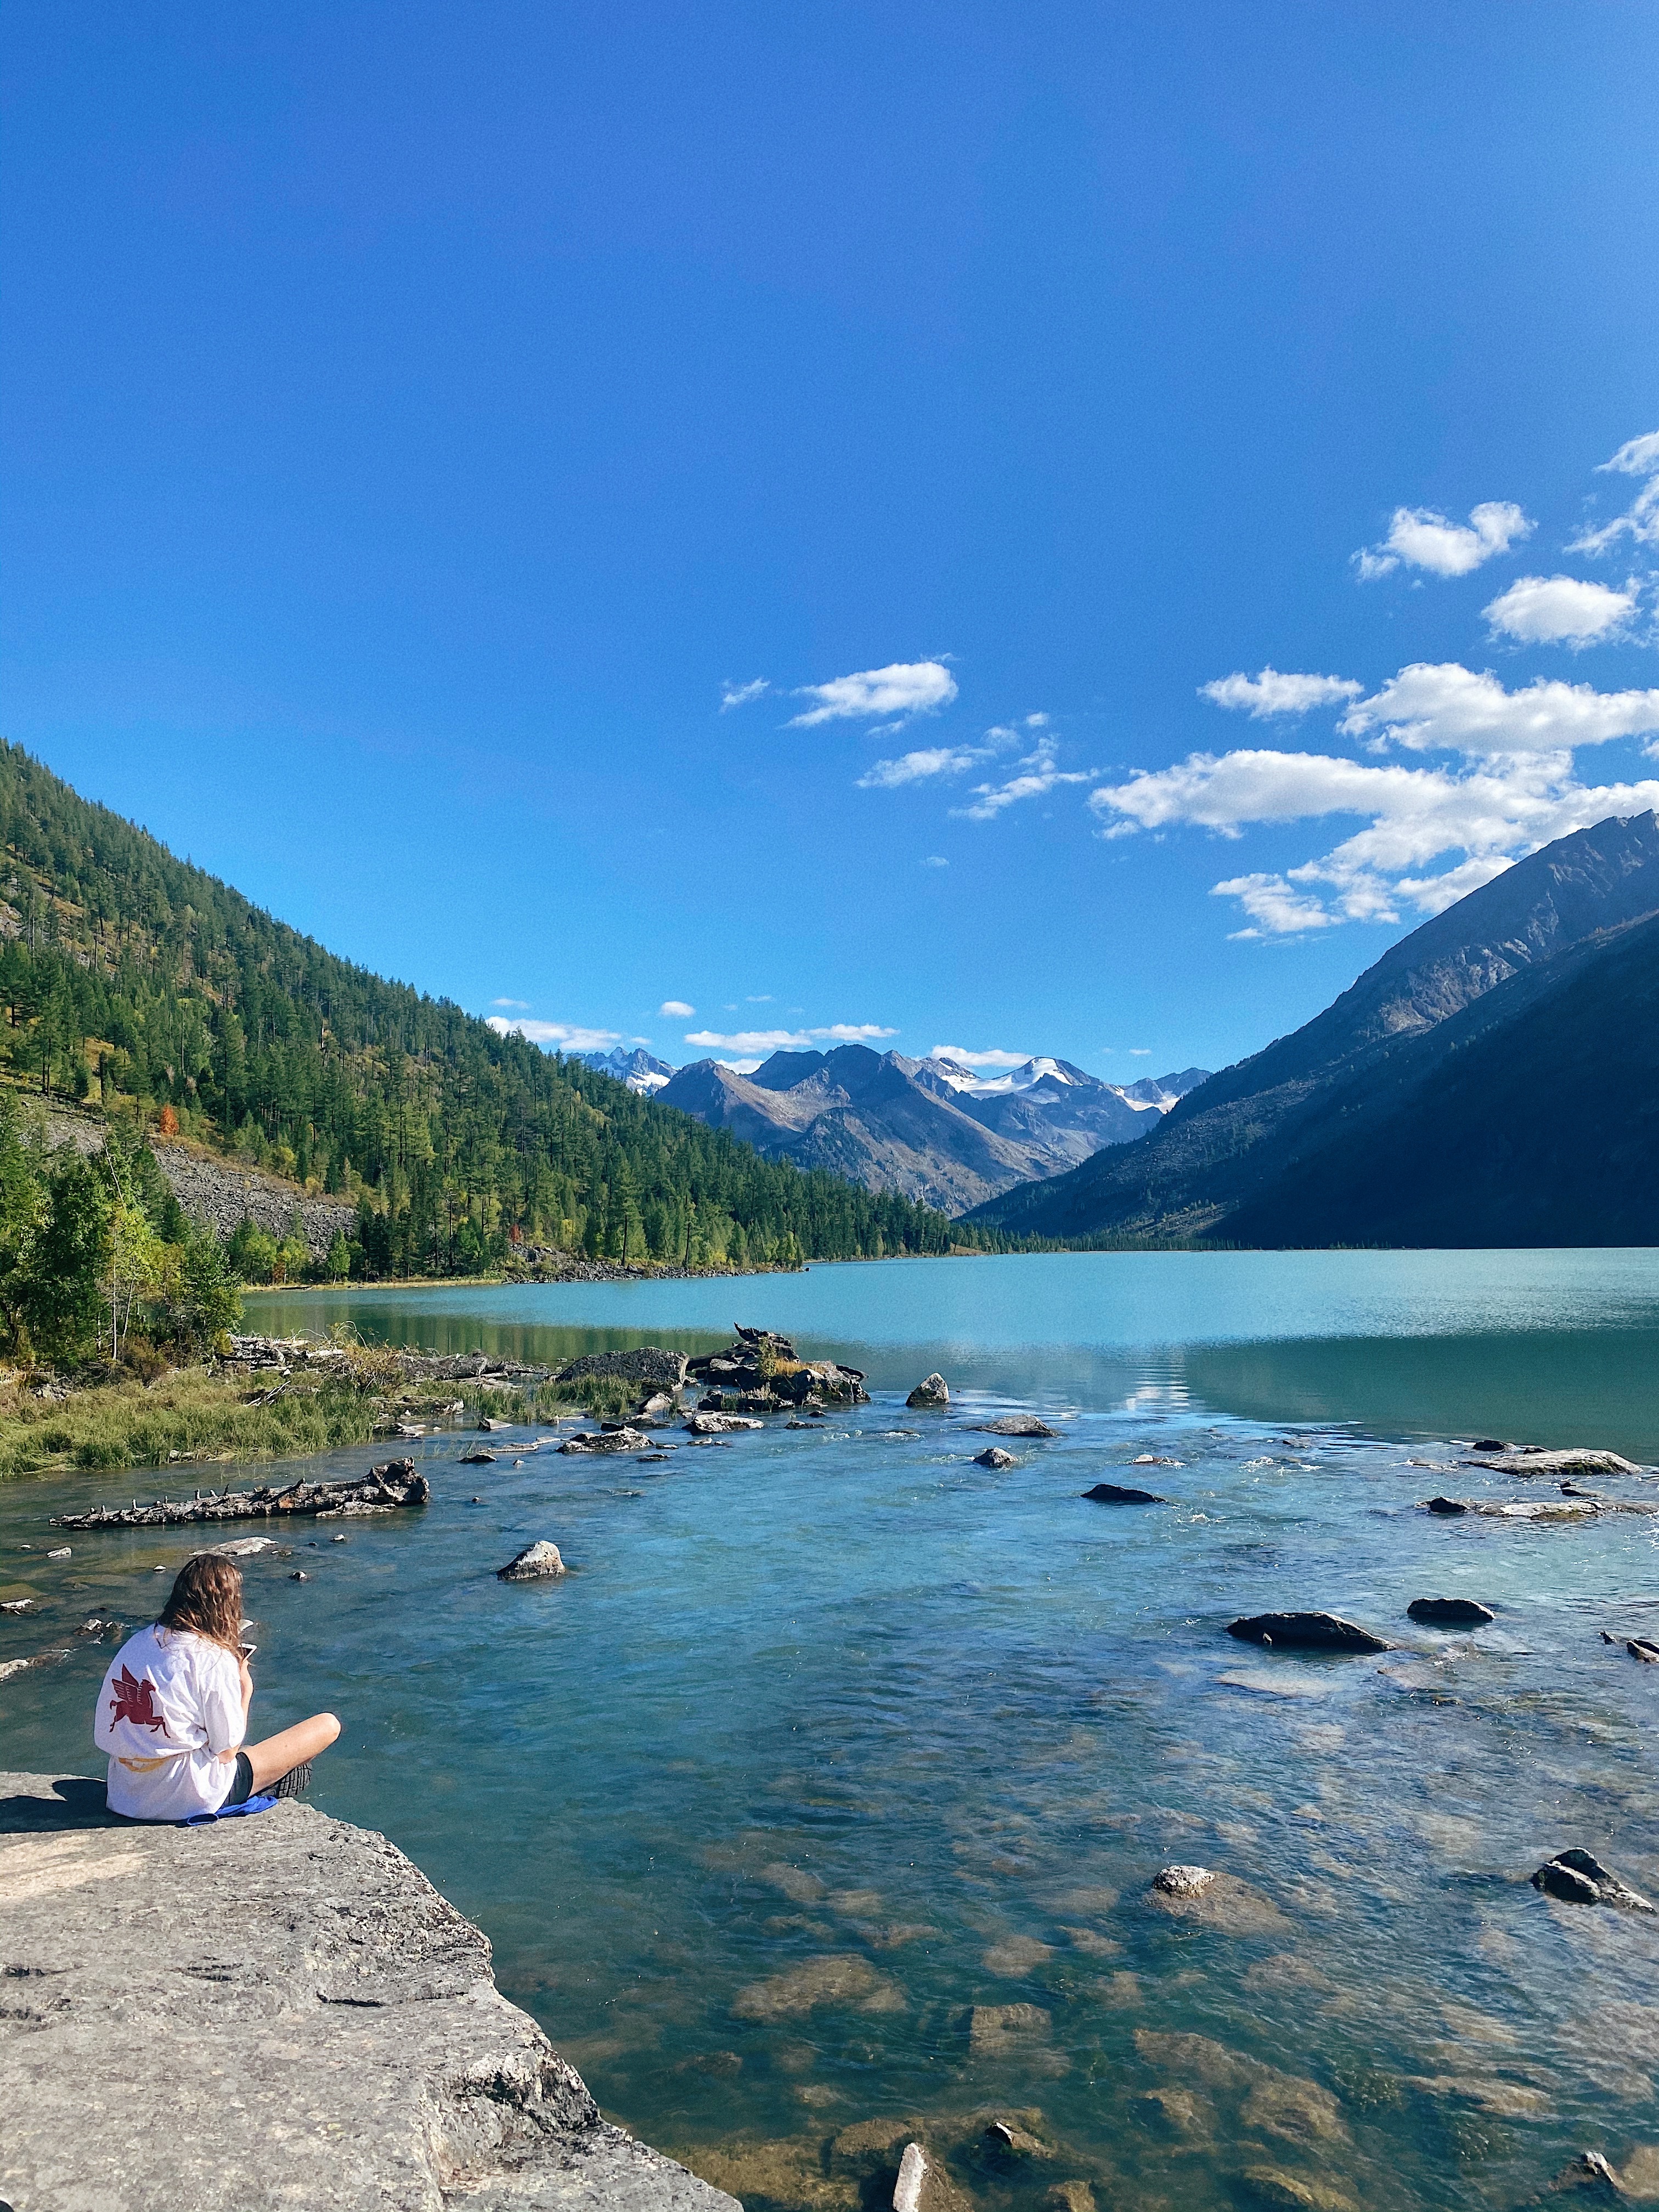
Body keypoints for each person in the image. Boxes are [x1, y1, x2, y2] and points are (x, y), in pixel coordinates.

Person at [93, 1553, 340, 1821]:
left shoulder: (137, 1643)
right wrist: (245, 1690)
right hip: (187, 1798)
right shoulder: (212, 1657)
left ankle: (268, 1778)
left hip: (125, 1795)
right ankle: (268, 1783)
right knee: (327, 1725)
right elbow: (227, 1752)